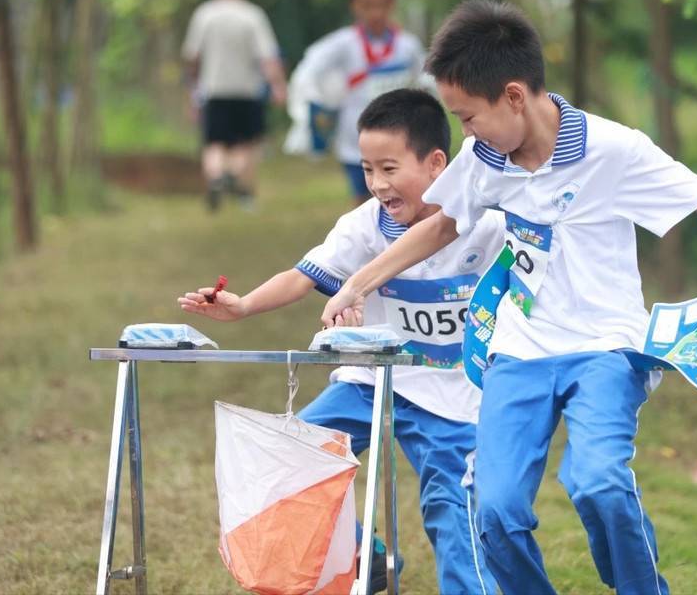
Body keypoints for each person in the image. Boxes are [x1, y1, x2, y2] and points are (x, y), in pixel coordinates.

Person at [321, 0, 697, 595]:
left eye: (468, 117)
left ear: (515, 96)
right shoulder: (484, 157)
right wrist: (357, 282)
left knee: (597, 482)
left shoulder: (612, 149)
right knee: (493, 510)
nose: (463, 131)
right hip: (519, 354)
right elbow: (443, 223)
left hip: (605, 348)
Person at [180, 88, 499, 595]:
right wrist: (242, 307)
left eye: (390, 169)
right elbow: (303, 277)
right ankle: (363, 555)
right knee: (289, 453)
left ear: (437, 163)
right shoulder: (363, 227)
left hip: (453, 396)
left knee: (452, 510)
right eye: (368, 170)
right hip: (368, 383)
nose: (377, 184)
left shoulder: (484, 223)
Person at [289, 0, 430, 206]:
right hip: (356, 142)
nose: (375, 13)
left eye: (381, 4)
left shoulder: (407, 46)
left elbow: (427, 76)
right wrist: (314, 106)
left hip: (402, 139)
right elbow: (308, 71)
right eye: (367, 5)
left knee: (403, 201)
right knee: (365, 205)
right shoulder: (343, 44)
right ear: (354, 4)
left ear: (392, 3)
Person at [182, 0, 287, 211]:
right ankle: (236, 180)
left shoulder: (205, 14)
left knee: (214, 143)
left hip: (213, 89)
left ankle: (217, 176)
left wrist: (191, 90)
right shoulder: (253, 15)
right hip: (247, 91)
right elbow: (268, 57)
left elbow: (192, 56)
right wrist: (278, 86)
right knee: (246, 144)